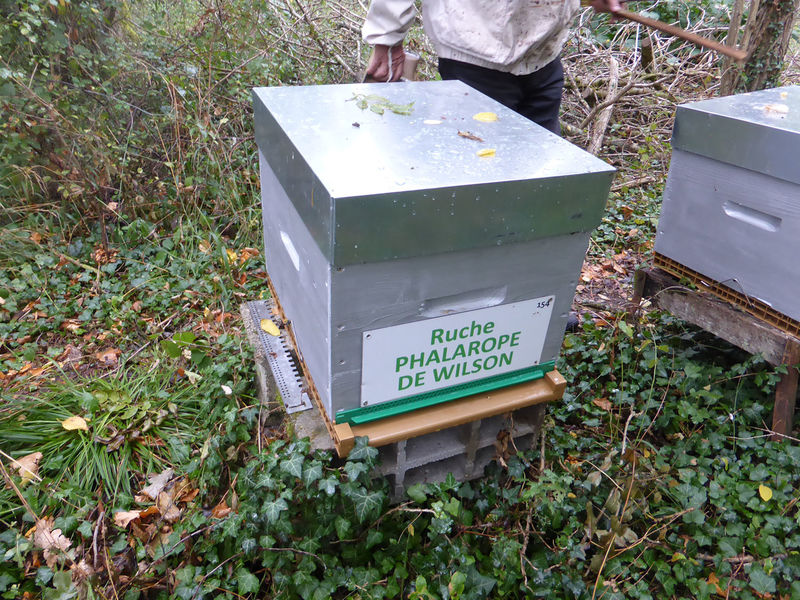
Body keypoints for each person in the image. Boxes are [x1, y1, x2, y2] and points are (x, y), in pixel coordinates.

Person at [362, 0, 622, 134]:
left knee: (539, 174)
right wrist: (387, 35)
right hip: (473, 53)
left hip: (544, 51)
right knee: (479, 177)